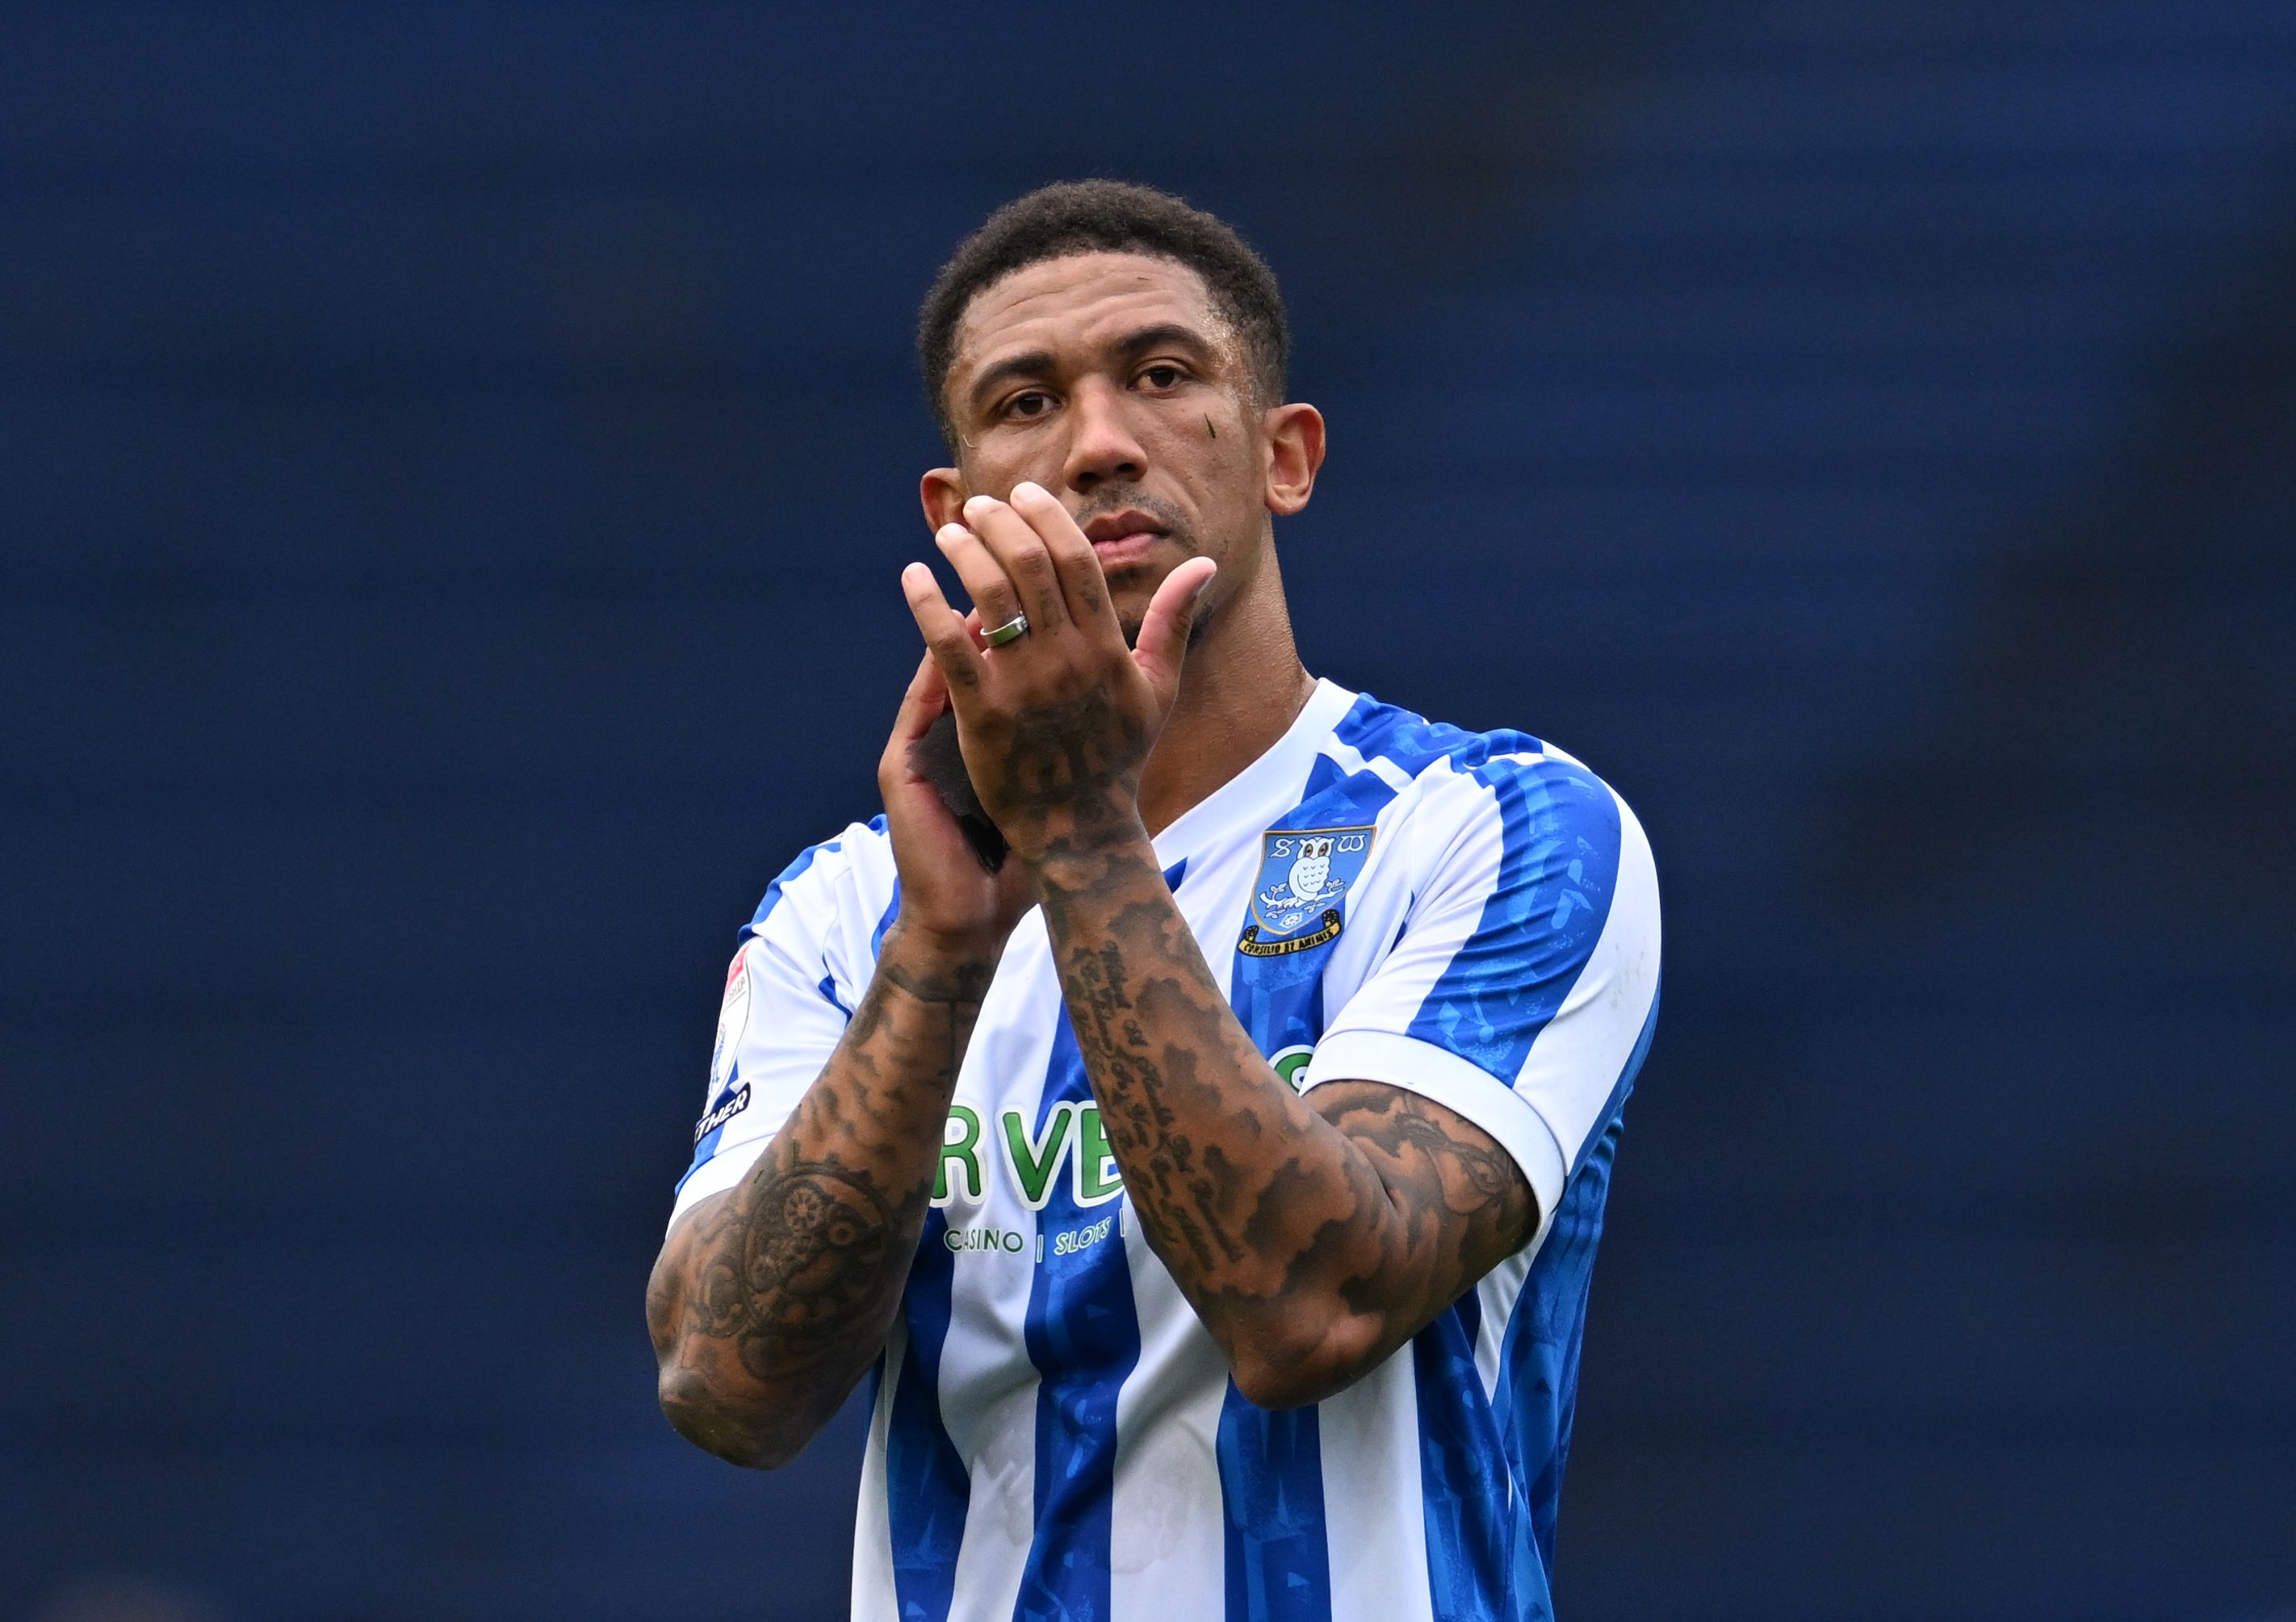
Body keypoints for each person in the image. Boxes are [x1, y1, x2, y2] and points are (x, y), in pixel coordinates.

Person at [646, 179, 1661, 1620]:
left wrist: (1077, 830)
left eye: (1165, 375)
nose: (1100, 443)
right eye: (1025, 403)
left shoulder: (1498, 830)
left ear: (1285, 456)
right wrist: (939, 953)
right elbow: (728, 1387)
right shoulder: (847, 908)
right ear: (956, 513)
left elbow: (1311, 1306)